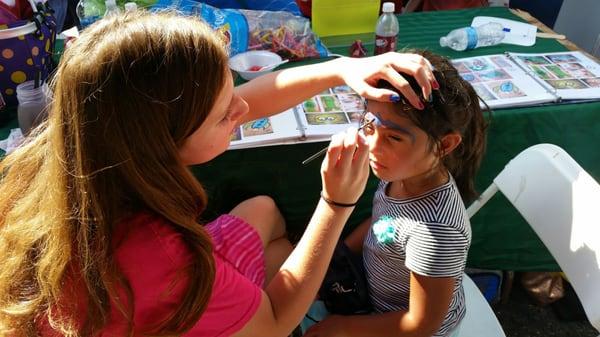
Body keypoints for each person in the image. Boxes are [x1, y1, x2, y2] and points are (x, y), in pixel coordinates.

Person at [0, 10, 437, 337]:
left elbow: (250, 99)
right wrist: (336, 204)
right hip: (169, 302)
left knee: (264, 210)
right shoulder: (165, 259)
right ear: (163, 137)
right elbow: (275, 325)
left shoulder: (71, 148)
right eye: (223, 115)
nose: (244, 110)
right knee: (278, 286)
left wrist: (344, 69)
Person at [304, 50, 489, 337]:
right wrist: (335, 259)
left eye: (394, 137)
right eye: (369, 125)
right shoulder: (403, 173)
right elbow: (383, 222)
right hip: (371, 296)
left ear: (446, 144)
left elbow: (421, 323)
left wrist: (342, 327)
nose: (372, 147)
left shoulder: (437, 231)